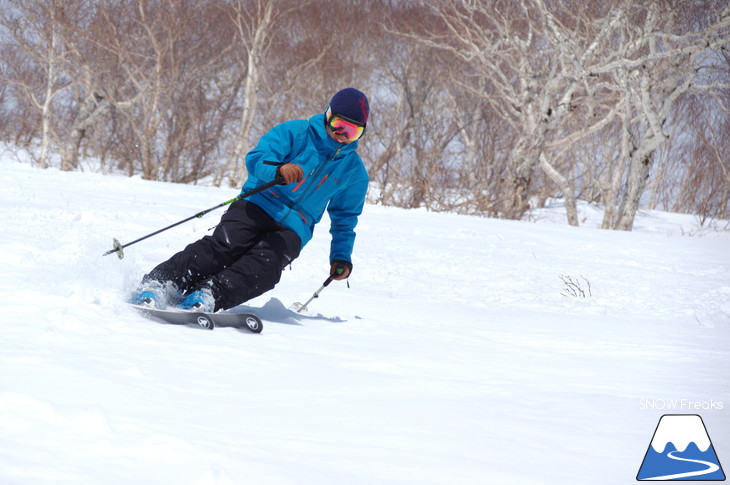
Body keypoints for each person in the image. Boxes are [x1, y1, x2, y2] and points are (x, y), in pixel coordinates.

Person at [130, 88, 370, 312]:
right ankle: (160, 283)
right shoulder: (295, 132)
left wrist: (341, 256)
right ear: (328, 115)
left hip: (295, 227)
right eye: (339, 126)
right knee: (225, 246)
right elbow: (258, 158)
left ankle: (208, 294)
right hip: (258, 203)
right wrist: (279, 170)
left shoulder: (354, 172)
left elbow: (345, 218)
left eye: (353, 131)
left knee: (265, 268)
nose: (343, 136)